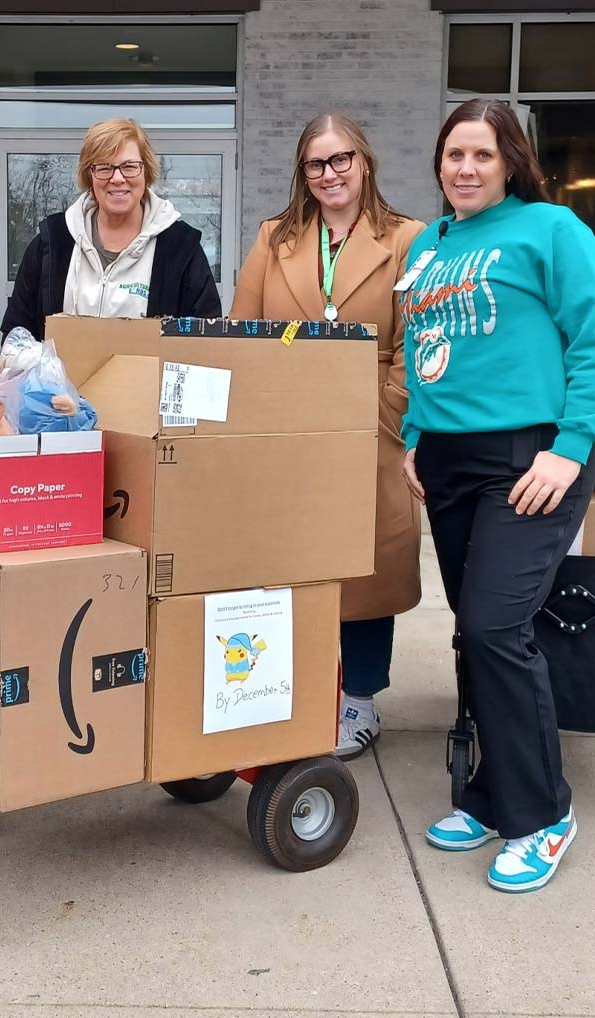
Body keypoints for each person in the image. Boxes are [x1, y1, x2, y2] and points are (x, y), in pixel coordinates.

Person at [401, 98, 595, 892]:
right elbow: (423, 347)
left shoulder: (553, 232)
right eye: (454, 156)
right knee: (477, 632)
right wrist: (415, 432)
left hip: (528, 457)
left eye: (482, 155)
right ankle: (488, 791)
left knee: (493, 627)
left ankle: (543, 812)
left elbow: (591, 340)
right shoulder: (429, 244)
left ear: (511, 160)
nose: (466, 169)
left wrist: (570, 450)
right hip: (447, 459)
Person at [230, 113, 424, 759]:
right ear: (302, 172)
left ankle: (359, 701)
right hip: (285, 421)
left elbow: (416, 343)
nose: (330, 173)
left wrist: (390, 414)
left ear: (364, 161)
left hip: (369, 421)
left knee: (365, 563)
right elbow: (241, 329)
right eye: (317, 163)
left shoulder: (406, 239)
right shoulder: (275, 237)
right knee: (290, 562)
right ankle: (293, 688)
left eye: (342, 159)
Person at [2, 118, 221, 338]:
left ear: (146, 171)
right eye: (104, 167)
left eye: (129, 166)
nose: (117, 178)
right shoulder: (52, 244)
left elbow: (206, 346)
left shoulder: (181, 250)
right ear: (90, 175)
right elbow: (15, 337)